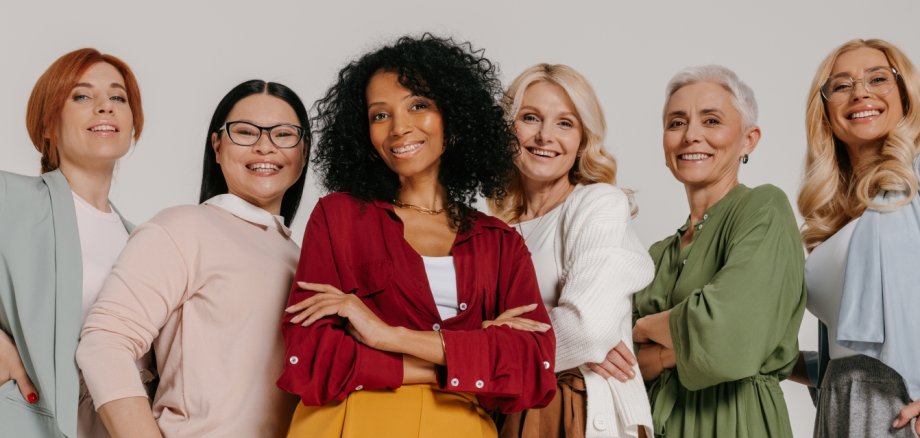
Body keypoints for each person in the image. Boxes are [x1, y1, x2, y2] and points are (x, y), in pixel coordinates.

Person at [279, 34, 556, 438]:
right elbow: (310, 359)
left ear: (453, 119)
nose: (399, 127)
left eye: (418, 105)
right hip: (351, 424)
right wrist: (469, 353)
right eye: (380, 115)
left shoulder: (500, 243)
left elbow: (532, 367)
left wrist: (387, 335)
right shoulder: (339, 218)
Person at [76, 79, 309, 437]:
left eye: (283, 134)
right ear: (217, 146)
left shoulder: (302, 259)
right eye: (245, 132)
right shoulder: (184, 227)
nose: (265, 146)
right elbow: (104, 342)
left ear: (303, 153)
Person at [631, 65, 806, 437]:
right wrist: (675, 345)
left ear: (749, 140)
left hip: (737, 421)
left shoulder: (763, 209)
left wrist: (645, 329)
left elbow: (731, 332)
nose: (691, 135)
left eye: (711, 121)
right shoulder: (656, 254)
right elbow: (619, 360)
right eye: (677, 123)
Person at [489, 64, 653, 438]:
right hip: (505, 411)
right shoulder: (493, 229)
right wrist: (501, 338)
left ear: (582, 141)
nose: (545, 136)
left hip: (573, 412)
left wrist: (492, 346)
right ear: (507, 129)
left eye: (565, 123)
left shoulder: (597, 204)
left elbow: (588, 331)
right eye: (530, 118)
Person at [0, 48, 144, 437]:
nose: (105, 106)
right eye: (81, 96)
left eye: (118, 97)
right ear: (47, 124)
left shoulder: (143, 241)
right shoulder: (9, 198)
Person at [797, 38, 920, 437]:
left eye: (878, 78)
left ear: (905, 94)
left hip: (901, 405)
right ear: (826, 109)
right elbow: (852, 347)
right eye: (842, 85)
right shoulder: (834, 215)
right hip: (840, 401)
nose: (860, 93)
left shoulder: (916, 179)